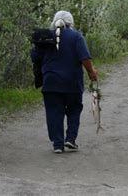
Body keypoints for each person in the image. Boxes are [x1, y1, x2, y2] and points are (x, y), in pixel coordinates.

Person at [31, 11, 98, 153]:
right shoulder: (76, 36)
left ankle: (57, 144)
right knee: (74, 109)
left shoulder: (45, 37)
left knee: (54, 111)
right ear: (70, 23)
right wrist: (91, 72)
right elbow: (85, 57)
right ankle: (70, 139)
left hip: (51, 82)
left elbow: (35, 56)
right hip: (72, 82)